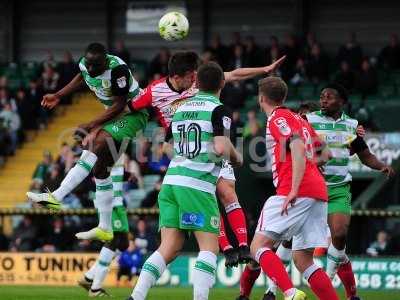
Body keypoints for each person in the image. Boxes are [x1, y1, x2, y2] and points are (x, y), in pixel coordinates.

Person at [127, 51, 286, 266]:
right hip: (182, 150)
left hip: (210, 140)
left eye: (195, 75)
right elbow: (130, 108)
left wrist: (264, 70)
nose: (194, 78)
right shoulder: (155, 91)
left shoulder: (199, 83)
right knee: (208, 196)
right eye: (190, 74)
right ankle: (227, 249)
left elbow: (233, 75)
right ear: (178, 75)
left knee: (228, 192)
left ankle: (243, 246)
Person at [127, 61, 243, 300]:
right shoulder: (219, 109)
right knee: (209, 248)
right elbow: (221, 147)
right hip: (197, 185)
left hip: (171, 183)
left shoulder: (180, 107)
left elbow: (167, 144)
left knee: (168, 249)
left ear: (196, 83)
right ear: (222, 83)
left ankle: (136, 296)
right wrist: (238, 157)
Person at [27, 42, 148, 243]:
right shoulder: (86, 64)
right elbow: (82, 76)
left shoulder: (117, 70)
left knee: (95, 143)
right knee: (100, 170)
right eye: (88, 65)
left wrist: (92, 125)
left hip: (132, 113)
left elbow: (120, 105)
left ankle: (57, 196)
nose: (90, 70)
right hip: (115, 115)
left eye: (95, 67)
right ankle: (105, 228)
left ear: (105, 61)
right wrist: (58, 95)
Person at [249, 76, 339, 300]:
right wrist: (309, 166)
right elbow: (326, 154)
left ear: (261, 98)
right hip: (318, 191)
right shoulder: (299, 119)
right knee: (303, 260)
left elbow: (297, 147)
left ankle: (289, 293)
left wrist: (294, 189)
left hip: (296, 189)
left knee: (258, 246)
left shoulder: (277, 118)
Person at [306, 83, 395, 300]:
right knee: (291, 240)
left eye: (329, 97)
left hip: (338, 188)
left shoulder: (352, 125)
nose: (324, 100)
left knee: (339, 234)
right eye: (322, 96)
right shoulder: (309, 120)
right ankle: (350, 293)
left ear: (342, 102)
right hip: (311, 189)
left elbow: (365, 155)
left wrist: (381, 165)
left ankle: (326, 281)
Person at [77, 161, 130, 297]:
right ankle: (95, 287)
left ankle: (89, 277)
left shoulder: (111, 150)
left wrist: (126, 174)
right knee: (113, 239)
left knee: (124, 243)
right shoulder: (110, 147)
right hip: (112, 202)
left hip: (116, 201)